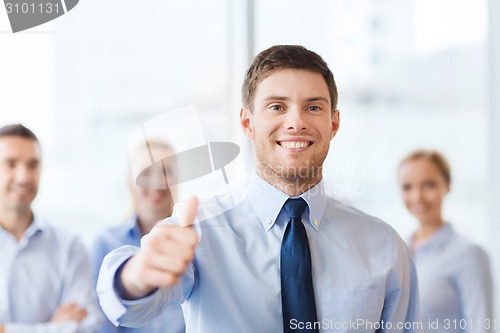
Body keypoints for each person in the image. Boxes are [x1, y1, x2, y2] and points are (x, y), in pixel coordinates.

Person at [97, 45, 421, 332]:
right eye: (277, 107)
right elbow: (128, 308)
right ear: (247, 123)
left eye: (313, 107)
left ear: (333, 124)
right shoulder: (199, 229)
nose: (296, 122)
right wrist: (136, 278)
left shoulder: (384, 246)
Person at [0, 124, 103, 333]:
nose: (23, 177)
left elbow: (90, 328)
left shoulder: (70, 246)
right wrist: (53, 329)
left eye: (33, 165)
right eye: (11, 164)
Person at [90, 141, 185, 333]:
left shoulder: (195, 241)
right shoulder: (106, 242)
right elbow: (101, 322)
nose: (157, 182)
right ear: (129, 181)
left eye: (166, 172)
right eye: (146, 173)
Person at [398, 149, 493, 333]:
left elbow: (481, 326)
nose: (417, 196)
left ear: (447, 185)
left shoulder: (469, 254)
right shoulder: (398, 251)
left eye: (428, 185)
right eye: (407, 187)